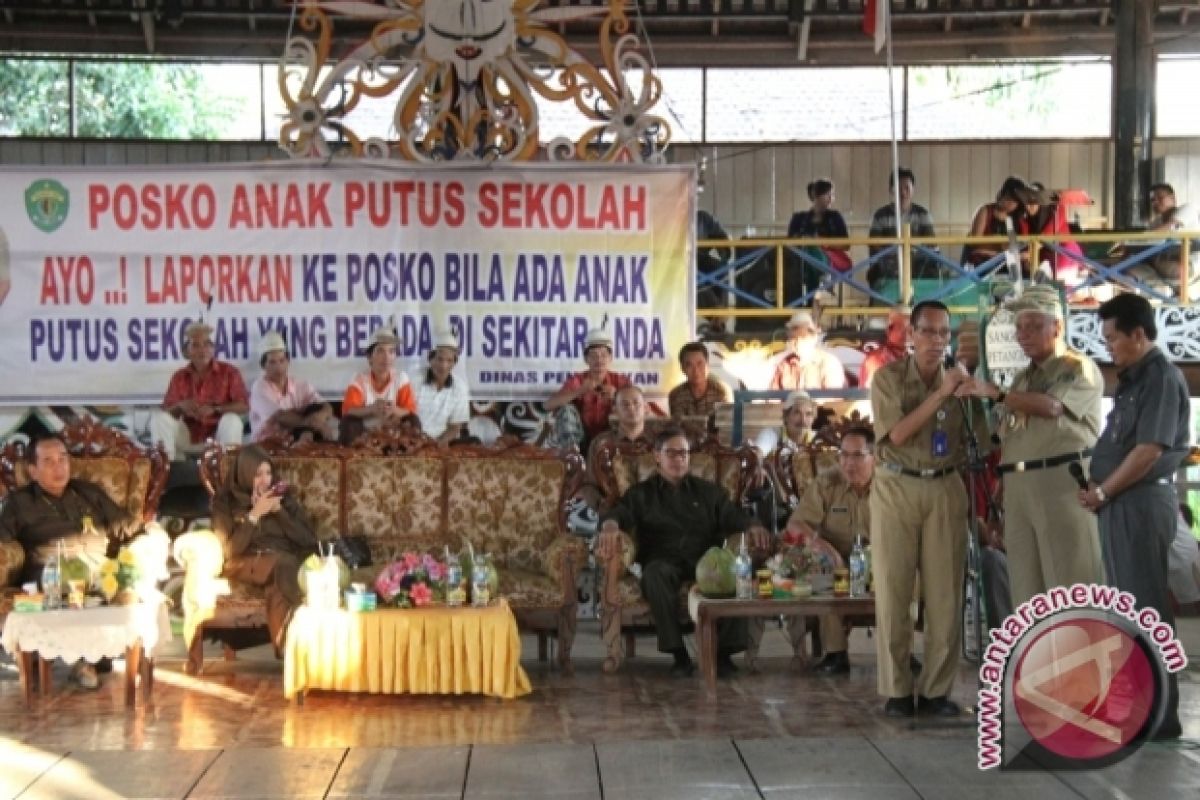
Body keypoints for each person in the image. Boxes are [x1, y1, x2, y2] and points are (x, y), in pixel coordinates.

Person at [1079, 293, 1191, 741]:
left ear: (1138, 334)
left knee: (1146, 610)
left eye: (1113, 337)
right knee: (1129, 611)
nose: (1109, 346)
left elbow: (1149, 450)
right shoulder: (1132, 380)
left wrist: (1105, 489)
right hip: (1120, 505)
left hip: (1140, 504)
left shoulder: (1160, 378)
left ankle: (1159, 714)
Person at [870, 299, 989, 717]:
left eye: (944, 333)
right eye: (929, 331)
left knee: (945, 594)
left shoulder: (960, 382)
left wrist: (976, 392)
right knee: (894, 590)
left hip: (944, 486)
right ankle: (898, 690)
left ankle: (938, 690)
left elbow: (981, 440)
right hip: (896, 485)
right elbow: (898, 434)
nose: (937, 341)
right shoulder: (887, 379)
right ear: (911, 335)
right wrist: (941, 394)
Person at [959, 284, 1104, 606]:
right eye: (1019, 328)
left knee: (1070, 588)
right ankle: (1037, 658)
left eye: (1035, 326)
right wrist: (998, 501)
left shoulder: (1077, 367)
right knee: (1028, 594)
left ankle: (1079, 657)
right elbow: (1008, 438)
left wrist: (995, 393)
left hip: (1061, 484)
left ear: (1058, 326)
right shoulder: (1022, 379)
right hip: (1019, 488)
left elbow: (1052, 407)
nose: (1024, 334)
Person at [595, 426, 772, 678]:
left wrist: (754, 526)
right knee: (655, 574)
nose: (678, 459)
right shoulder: (642, 494)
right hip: (662, 561)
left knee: (737, 572)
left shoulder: (708, 492)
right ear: (657, 456)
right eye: (672, 453)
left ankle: (722, 654)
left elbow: (736, 517)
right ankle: (678, 654)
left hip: (704, 561)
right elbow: (616, 514)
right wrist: (610, 527)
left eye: (684, 453)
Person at [0, 434, 142, 688]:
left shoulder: (88, 493)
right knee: (72, 588)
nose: (59, 467)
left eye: (63, 459)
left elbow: (125, 525)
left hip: (98, 570)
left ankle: (94, 657)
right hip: (50, 574)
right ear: (33, 470)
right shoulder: (20, 503)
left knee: (109, 584)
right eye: (49, 461)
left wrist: (150, 537)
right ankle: (83, 660)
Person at [210, 445, 320, 651]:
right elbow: (230, 551)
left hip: (282, 564)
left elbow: (308, 540)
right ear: (244, 474)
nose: (265, 480)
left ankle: (290, 652)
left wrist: (279, 511)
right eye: (257, 474)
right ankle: (298, 650)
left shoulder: (283, 499)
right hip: (245, 561)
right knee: (286, 564)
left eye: (268, 473)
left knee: (279, 586)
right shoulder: (225, 503)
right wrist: (254, 515)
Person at [785, 425, 875, 674]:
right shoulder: (827, 482)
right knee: (821, 569)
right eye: (843, 455)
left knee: (908, 571)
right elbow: (795, 523)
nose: (848, 463)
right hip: (835, 558)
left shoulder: (889, 484)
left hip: (880, 559)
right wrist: (820, 544)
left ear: (875, 457)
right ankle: (835, 653)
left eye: (857, 455)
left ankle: (902, 651)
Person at [151, 321, 248, 460]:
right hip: (188, 436)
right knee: (158, 419)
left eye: (206, 344)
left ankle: (228, 472)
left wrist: (216, 409)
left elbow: (243, 405)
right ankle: (165, 472)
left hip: (218, 436)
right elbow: (167, 412)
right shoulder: (179, 376)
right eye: (195, 345)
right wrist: (180, 407)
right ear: (187, 351)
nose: (202, 350)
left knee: (232, 420)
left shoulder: (229, 372)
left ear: (213, 349)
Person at [545, 326, 631, 451]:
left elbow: (641, 408)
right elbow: (548, 405)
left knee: (626, 407)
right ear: (586, 359)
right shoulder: (578, 380)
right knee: (566, 409)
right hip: (580, 439)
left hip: (612, 439)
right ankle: (573, 459)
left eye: (603, 355)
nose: (599, 360)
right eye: (594, 355)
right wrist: (579, 391)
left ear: (610, 358)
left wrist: (617, 397)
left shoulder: (621, 381)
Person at [248, 331, 334, 443]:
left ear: (288, 362)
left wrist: (320, 418)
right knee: (305, 428)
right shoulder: (259, 387)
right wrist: (315, 424)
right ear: (263, 366)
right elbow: (280, 417)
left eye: (281, 361)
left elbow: (326, 406)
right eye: (272, 362)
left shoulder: (300, 384)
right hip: (267, 444)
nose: (278, 367)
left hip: (294, 438)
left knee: (316, 409)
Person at [340, 326, 417, 445]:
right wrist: (371, 409)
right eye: (380, 351)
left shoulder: (401, 378)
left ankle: (409, 459)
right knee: (348, 422)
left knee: (413, 420)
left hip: (394, 429)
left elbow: (410, 410)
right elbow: (348, 410)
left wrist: (394, 410)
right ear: (369, 357)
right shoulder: (359, 380)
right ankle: (354, 458)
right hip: (366, 432)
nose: (386, 357)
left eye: (391, 351)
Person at [867, 168, 939, 288]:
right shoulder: (881, 215)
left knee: (933, 268)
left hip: (916, 260)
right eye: (898, 188)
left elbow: (931, 242)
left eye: (907, 188)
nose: (903, 192)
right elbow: (874, 243)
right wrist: (894, 254)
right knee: (879, 270)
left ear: (913, 190)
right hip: (888, 260)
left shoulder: (922, 214)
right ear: (891, 190)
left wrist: (911, 252)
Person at [1127, 183, 1200, 297]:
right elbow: (1146, 240)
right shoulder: (1156, 222)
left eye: (1160, 198)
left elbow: (1168, 228)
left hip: (1188, 262)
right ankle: (1164, 292)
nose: (1155, 202)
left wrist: (1134, 240)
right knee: (1128, 269)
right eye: (1153, 200)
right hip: (1160, 262)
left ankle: (1172, 293)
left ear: (1173, 198)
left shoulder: (1187, 209)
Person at [788, 179, 852, 290]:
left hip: (831, 262)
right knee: (810, 254)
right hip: (801, 261)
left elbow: (846, 245)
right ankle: (814, 296)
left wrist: (823, 242)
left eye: (832, 195)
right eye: (829, 195)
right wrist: (805, 240)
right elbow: (789, 243)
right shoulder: (799, 218)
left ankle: (813, 298)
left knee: (814, 253)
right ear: (816, 196)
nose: (832, 199)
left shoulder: (835, 217)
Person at [413, 330, 471, 446]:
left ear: (454, 363)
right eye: (440, 359)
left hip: (442, 442)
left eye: (449, 360)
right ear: (431, 359)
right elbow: (406, 417)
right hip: (414, 439)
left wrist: (440, 443)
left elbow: (455, 427)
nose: (444, 366)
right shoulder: (414, 379)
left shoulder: (460, 387)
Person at [1018, 182, 1084, 285]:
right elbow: (1025, 240)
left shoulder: (1057, 210)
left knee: (1060, 290)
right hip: (1042, 256)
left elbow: (1046, 235)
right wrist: (1025, 257)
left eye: (1033, 202)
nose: (1028, 206)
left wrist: (1029, 252)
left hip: (1064, 253)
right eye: (1026, 202)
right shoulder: (1024, 218)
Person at [768, 310, 846, 391]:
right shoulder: (784, 365)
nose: (797, 343)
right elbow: (774, 396)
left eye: (802, 338)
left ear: (813, 338)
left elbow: (833, 398)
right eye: (793, 339)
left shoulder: (829, 362)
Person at [961, 176, 1028, 268]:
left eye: (1011, 199)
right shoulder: (985, 211)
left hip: (1008, 261)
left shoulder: (1019, 219)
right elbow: (975, 241)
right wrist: (999, 246)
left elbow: (1024, 245)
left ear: (1018, 204)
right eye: (1005, 195)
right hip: (984, 261)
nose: (1006, 200)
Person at [668, 341, 731, 420]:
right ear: (682, 368)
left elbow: (725, 427)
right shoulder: (676, 395)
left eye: (700, 364)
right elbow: (678, 426)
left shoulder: (721, 391)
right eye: (689, 365)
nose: (696, 371)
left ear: (707, 364)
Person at [859, 306, 911, 388]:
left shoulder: (912, 356)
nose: (908, 335)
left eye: (911, 330)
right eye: (902, 329)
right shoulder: (876, 359)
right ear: (889, 331)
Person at [755, 390, 819, 456]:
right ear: (786, 416)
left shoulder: (818, 439)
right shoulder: (771, 434)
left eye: (808, 414)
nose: (803, 420)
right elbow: (757, 454)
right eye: (797, 413)